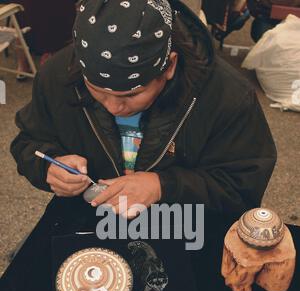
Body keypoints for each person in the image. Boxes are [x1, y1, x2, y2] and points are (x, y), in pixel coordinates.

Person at [11, 0, 277, 220]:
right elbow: (29, 142)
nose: (114, 107)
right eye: (98, 91)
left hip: (183, 224)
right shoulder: (57, 75)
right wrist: (47, 166)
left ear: (170, 66)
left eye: (131, 94)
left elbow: (242, 188)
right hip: (88, 218)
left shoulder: (226, 95)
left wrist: (162, 186)